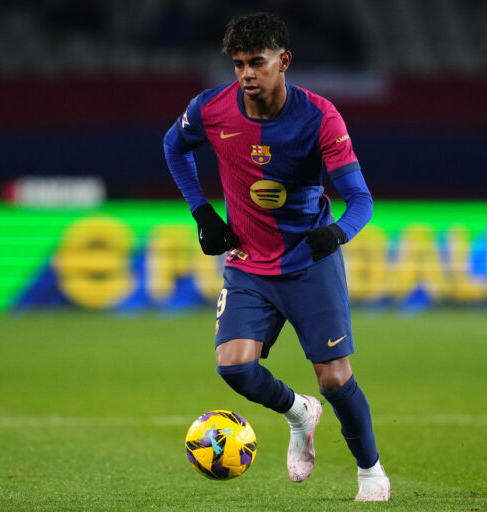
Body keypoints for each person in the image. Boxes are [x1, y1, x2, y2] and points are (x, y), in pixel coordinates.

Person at [163, 12, 390, 502]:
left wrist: (337, 234)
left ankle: (371, 472)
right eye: (239, 64)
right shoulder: (211, 110)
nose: (246, 74)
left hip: (309, 261)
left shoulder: (320, 117)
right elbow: (173, 145)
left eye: (257, 63)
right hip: (248, 263)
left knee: (334, 378)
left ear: (283, 61)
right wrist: (203, 213)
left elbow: (361, 199)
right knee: (233, 366)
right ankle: (298, 414)